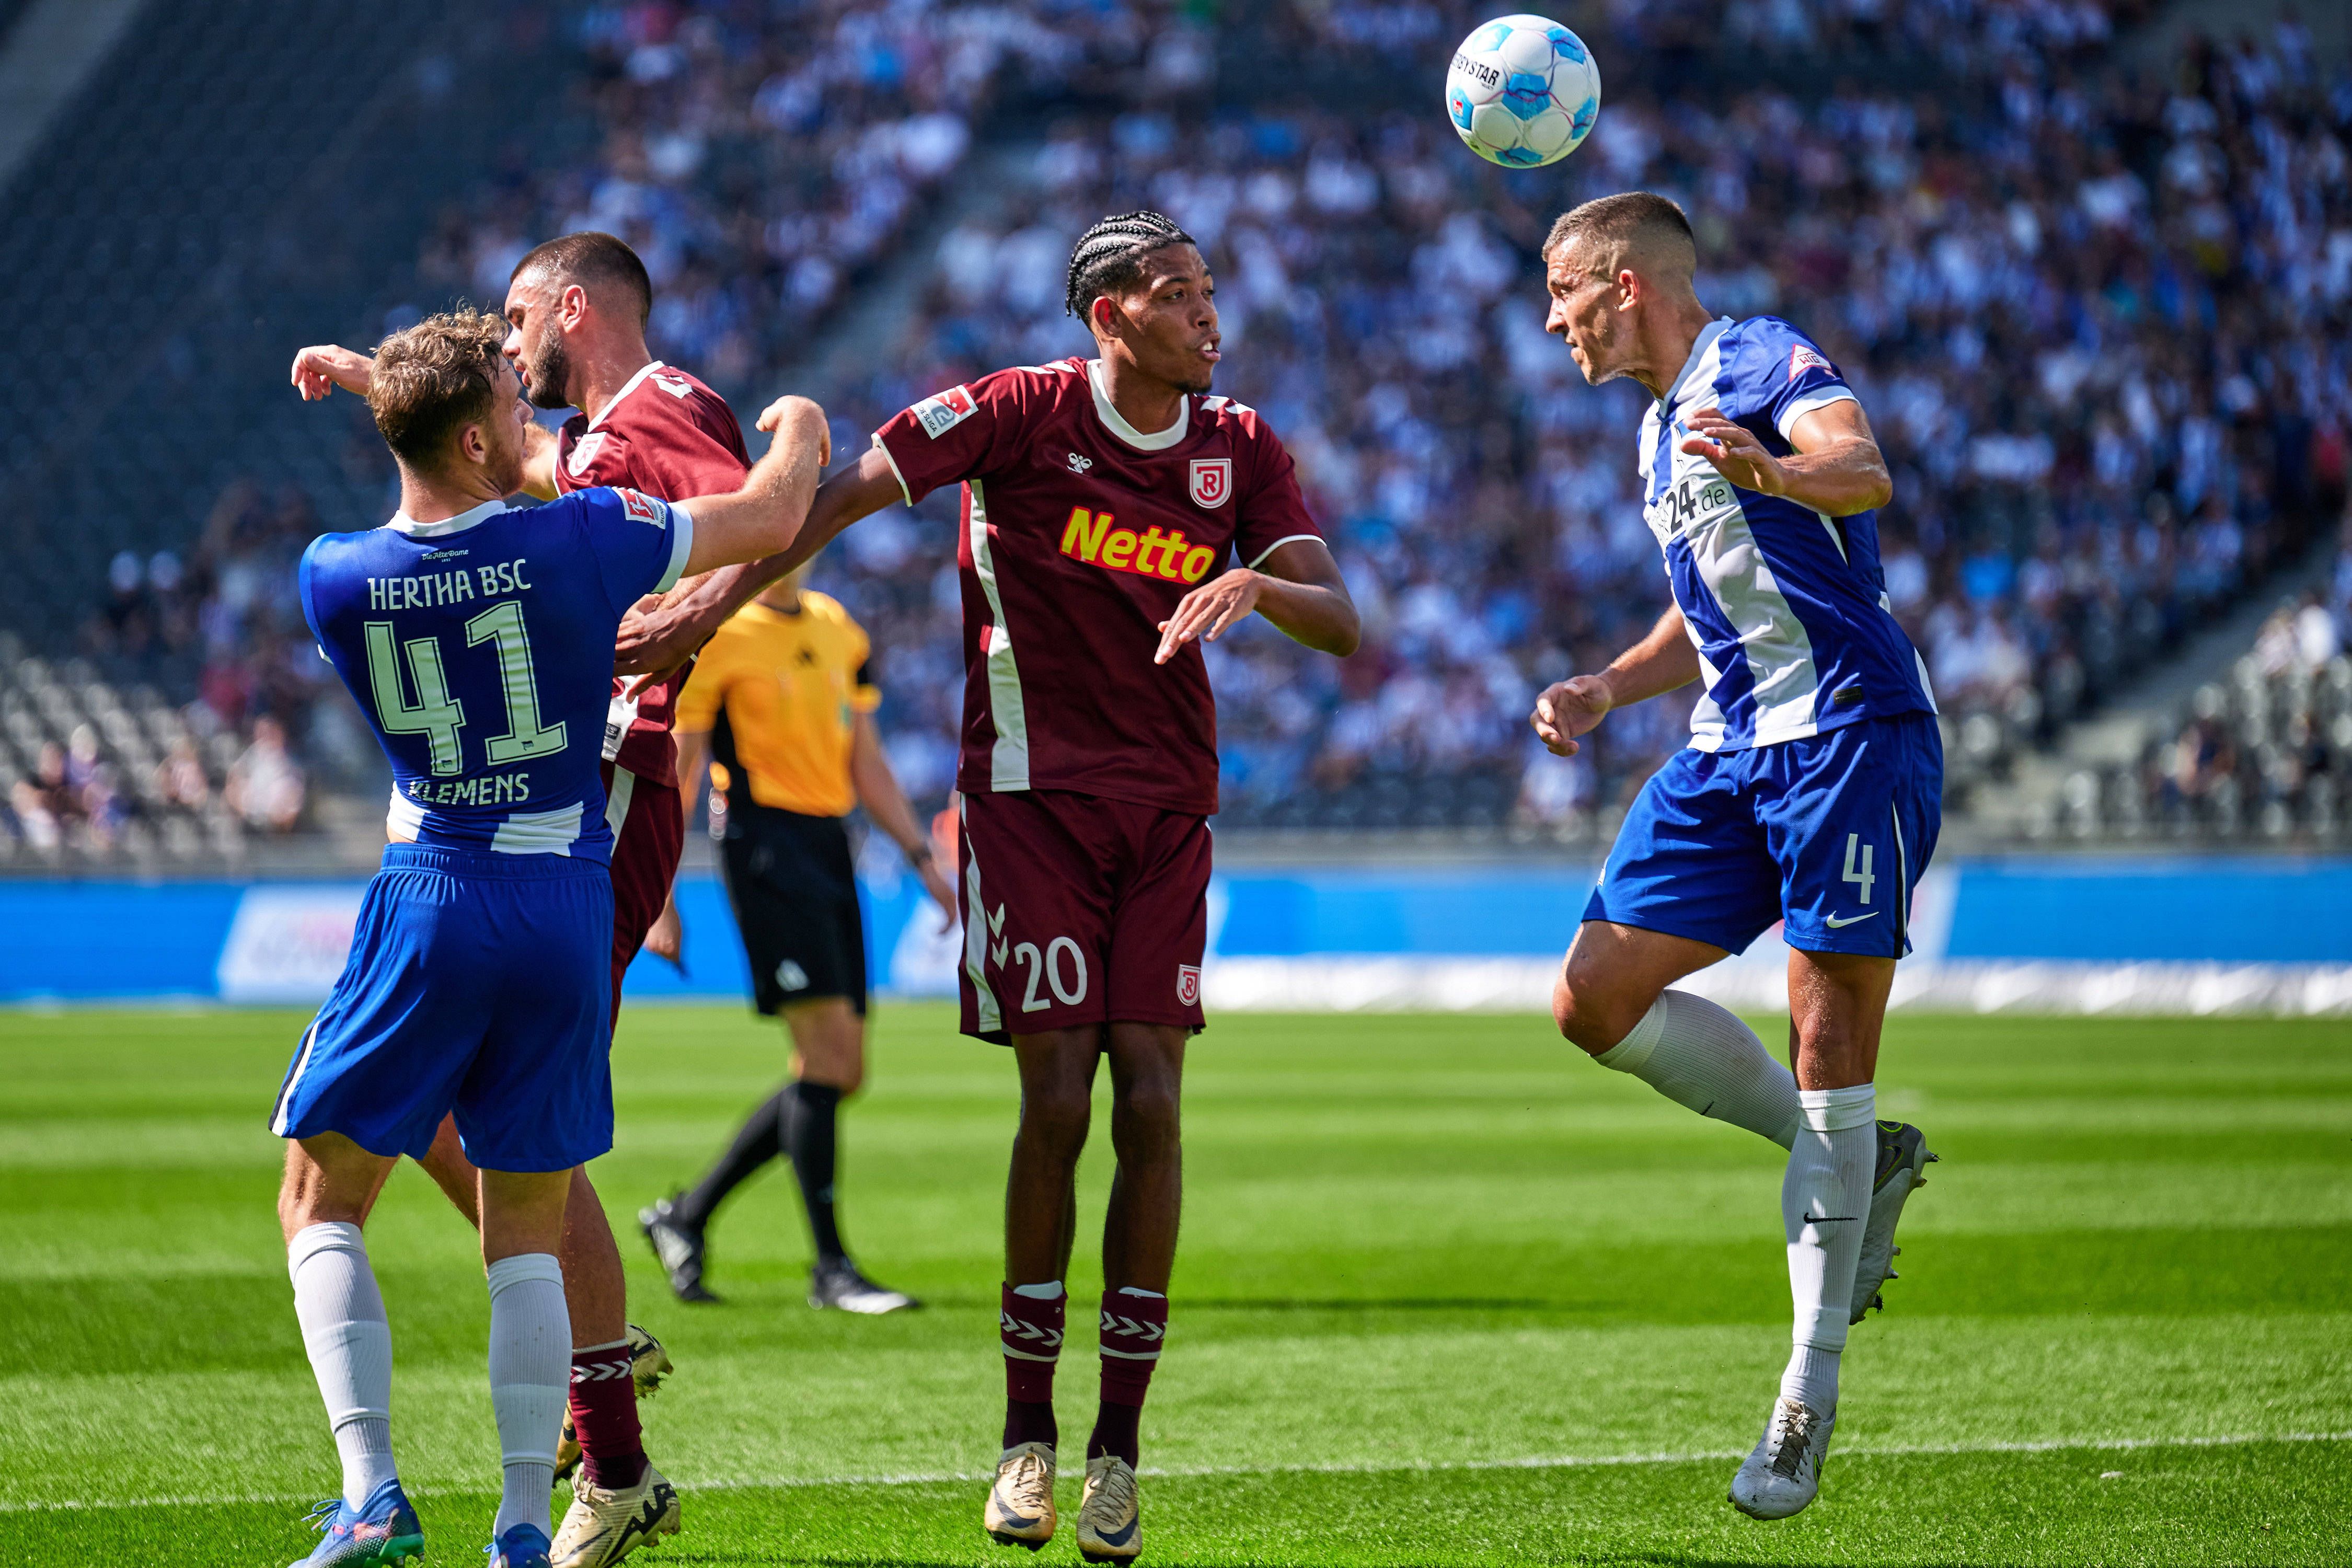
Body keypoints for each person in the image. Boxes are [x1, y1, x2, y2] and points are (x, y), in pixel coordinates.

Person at [269, 305, 825, 1568]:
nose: (543, 435)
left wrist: (394, 393)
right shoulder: (588, 541)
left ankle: (373, 1491)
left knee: (319, 1191)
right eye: (517, 417)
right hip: (564, 902)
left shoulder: (332, 575)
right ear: (477, 437)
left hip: (432, 889)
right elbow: (772, 514)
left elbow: (453, 490)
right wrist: (799, 426)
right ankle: (525, 1522)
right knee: (526, 1220)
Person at [1527, 192, 1939, 1521]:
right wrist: (1605, 685)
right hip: (1729, 747)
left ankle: (1805, 1402)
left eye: (1565, 293)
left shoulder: (1757, 358)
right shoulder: (1657, 431)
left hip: (1848, 737)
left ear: (1627, 283)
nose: (1553, 321)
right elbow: (1712, 596)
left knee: (1831, 1049)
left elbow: (1860, 467)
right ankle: (1850, 1165)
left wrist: (1773, 470)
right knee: (1590, 999)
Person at [637, 559, 956, 1311]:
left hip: (829, 848)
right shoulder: (720, 634)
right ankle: (832, 1271)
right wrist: (660, 894)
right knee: (827, 1058)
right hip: (764, 850)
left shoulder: (837, 627)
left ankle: (685, 1218)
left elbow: (864, 757)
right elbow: (680, 773)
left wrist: (922, 858)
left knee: (842, 1072)